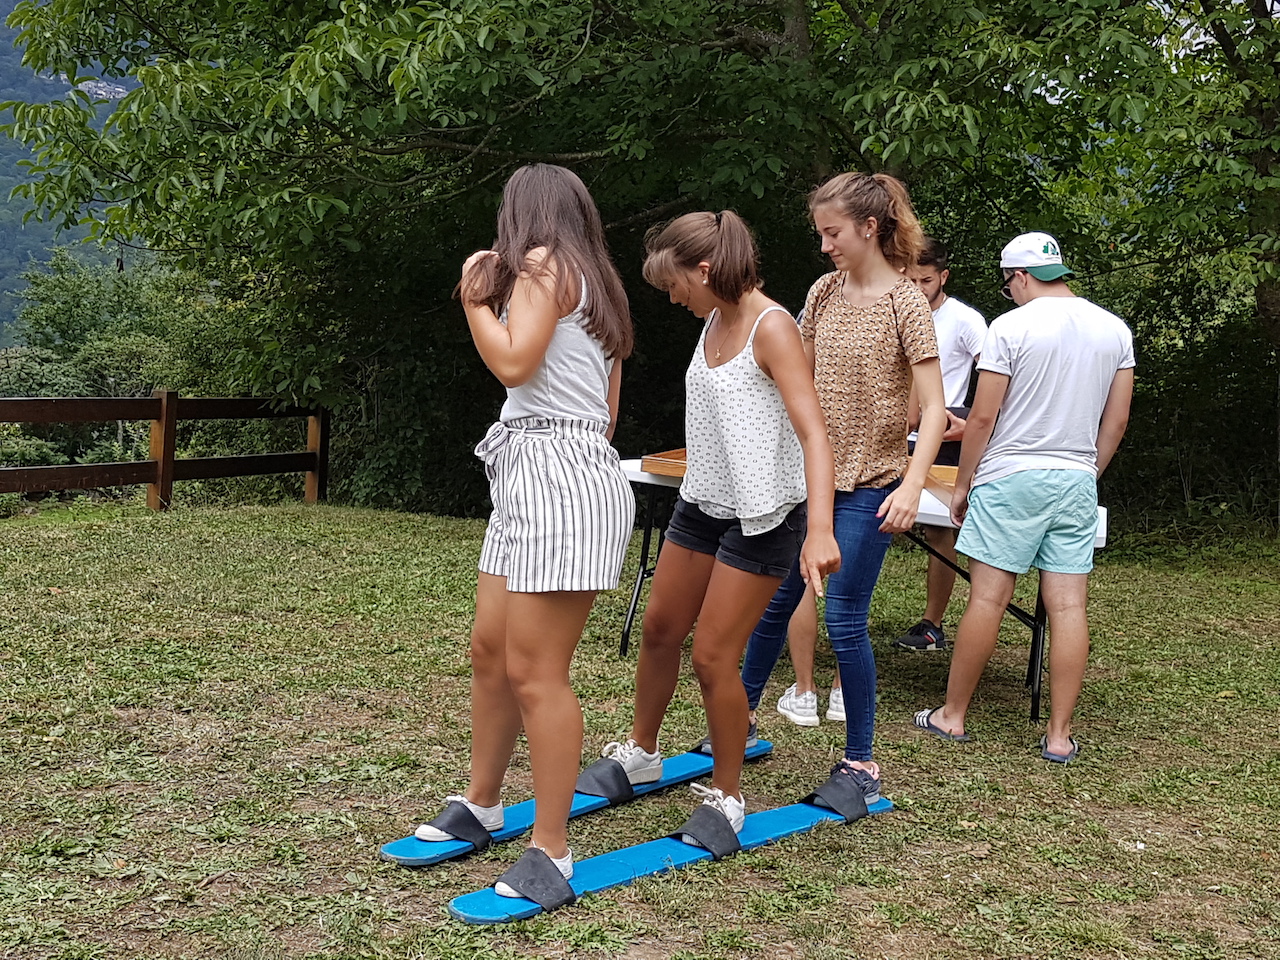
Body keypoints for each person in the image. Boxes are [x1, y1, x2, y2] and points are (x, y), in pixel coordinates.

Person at [413, 164, 636, 901]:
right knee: (491, 650)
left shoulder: (544, 266)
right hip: (542, 471)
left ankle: (552, 849)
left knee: (537, 672)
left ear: (522, 215)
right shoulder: (595, 279)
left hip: (557, 480)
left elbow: (512, 361)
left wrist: (477, 298)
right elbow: (603, 411)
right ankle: (482, 803)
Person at [596, 210, 840, 841]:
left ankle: (728, 796)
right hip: (702, 501)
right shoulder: (711, 320)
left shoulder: (774, 328)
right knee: (658, 628)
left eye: (676, 283)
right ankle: (642, 753)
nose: (672, 297)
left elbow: (814, 433)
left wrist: (819, 529)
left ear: (704, 270)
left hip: (763, 518)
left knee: (711, 656)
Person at [738, 172, 948, 801]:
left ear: (869, 227)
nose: (825, 245)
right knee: (774, 603)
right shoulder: (823, 291)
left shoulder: (904, 302)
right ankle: (737, 725)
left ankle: (860, 760)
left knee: (844, 619)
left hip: (869, 485)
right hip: (805, 481)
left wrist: (912, 486)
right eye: (820, 233)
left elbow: (935, 408)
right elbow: (791, 373)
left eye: (832, 233)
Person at [912, 232, 1134, 763]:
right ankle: (1058, 737)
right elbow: (1118, 419)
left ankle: (953, 716)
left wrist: (962, 484)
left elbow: (983, 417)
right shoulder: (1114, 329)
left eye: (1008, 282)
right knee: (1069, 605)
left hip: (1010, 475)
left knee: (988, 597)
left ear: (1020, 276)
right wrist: (1088, 472)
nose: (1008, 292)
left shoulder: (1009, 328)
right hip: (1075, 478)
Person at [893, 237, 988, 652]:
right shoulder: (890, 309)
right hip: (892, 433)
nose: (917, 288)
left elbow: (1001, 381)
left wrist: (967, 423)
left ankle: (932, 623)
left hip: (944, 435)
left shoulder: (966, 320)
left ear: (943, 277)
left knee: (939, 529)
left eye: (926, 280)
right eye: (909, 279)